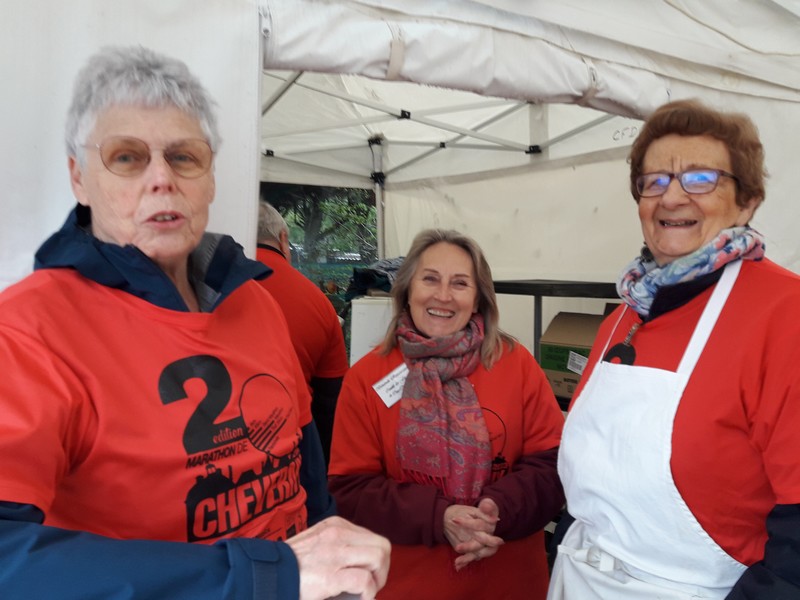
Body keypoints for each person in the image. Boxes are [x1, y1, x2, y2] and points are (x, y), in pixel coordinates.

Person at [0, 45, 389, 600]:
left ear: (209, 181)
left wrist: (334, 554)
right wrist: (263, 575)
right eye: (127, 157)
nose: (162, 178)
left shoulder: (254, 301)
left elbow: (302, 458)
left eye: (184, 157)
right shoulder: (28, 331)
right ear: (79, 180)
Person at [548, 99, 800, 599]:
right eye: (654, 181)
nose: (672, 197)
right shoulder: (627, 312)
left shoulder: (784, 313)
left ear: (747, 200)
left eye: (701, 179)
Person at [328, 228, 565, 599]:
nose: (443, 296)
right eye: (430, 279)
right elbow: (351, 490)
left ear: (478, 298)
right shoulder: (366, 378)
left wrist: (496, 510)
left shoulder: (516, 364)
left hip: (510, 584)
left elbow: (555, 466)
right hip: (409, 586)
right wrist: (438, 517)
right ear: (407, 290)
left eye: (460, 283)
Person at [255, 201, 349, 466]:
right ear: (284, 239)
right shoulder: (317, 301)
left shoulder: (201, 290)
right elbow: (330, 400)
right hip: (295, 449)